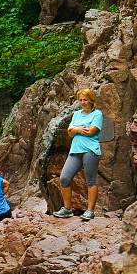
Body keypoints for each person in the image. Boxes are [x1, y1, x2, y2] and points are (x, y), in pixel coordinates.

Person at [53, 88, 103, 220]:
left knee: (90, 180)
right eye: (80, 100)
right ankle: (67, 209)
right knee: (64, 178)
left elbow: (90, 131)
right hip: (75, 150)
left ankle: (90, 211)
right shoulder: (76, 114)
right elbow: (69, 133)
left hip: (90, 150)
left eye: (85, 100)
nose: (82, 102)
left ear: (91, 100)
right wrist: (77, 129)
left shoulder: (97, 114)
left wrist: (75, 129)